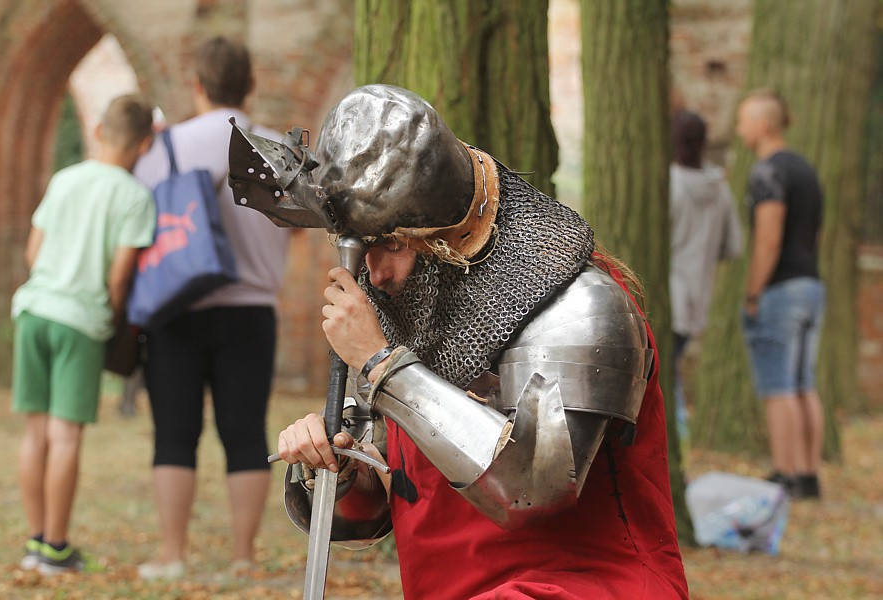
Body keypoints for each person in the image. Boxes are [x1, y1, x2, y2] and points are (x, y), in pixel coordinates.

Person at [267, 85, 688, 598]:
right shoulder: (412, 310)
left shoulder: (581, 306)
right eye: (359, 245)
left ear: (450, 231)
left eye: (392, 244)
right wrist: (341, 470)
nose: (374, 274)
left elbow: (531, 487)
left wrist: (381, 365)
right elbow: (394, 504)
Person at [133, 37, 290, 579]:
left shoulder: (163, 147)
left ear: (196, 85)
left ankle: (172, 555)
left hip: (177, 306)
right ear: (250, 85)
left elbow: (139, 221)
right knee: (245, 430)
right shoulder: (277, 150)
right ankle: (244, 557)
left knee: (174, 433)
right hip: (252, 310)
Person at [11, 94, 156, 574]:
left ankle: (35, 542)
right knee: (66, 435)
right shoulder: (135, 197)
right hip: (80, 320)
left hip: (34, 309)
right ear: (145, 142)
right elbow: (119, 277)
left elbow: (35, 251)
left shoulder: (65, 178)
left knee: (35, 431)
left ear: (97, 131)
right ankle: (57, 546)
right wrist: (111, 321)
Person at [736, 89, 825, 499]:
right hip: (811, 285)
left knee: (779, 386)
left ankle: (784, 472)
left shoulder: (768, 171)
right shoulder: (807, 170)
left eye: (744, 121)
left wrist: (754, 291)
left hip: (781, 290)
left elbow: (768, 238)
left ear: (764, 125)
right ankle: (809, 474)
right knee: (804, 384)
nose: (739, 130)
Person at [669, 110, 743, 438]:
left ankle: (679, 433)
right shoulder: (720, 189)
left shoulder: (668, 182)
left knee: (662, 373)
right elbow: (734, 247)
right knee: (670, 368)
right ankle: (679, 431)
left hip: (663, 294)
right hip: (697, 297)